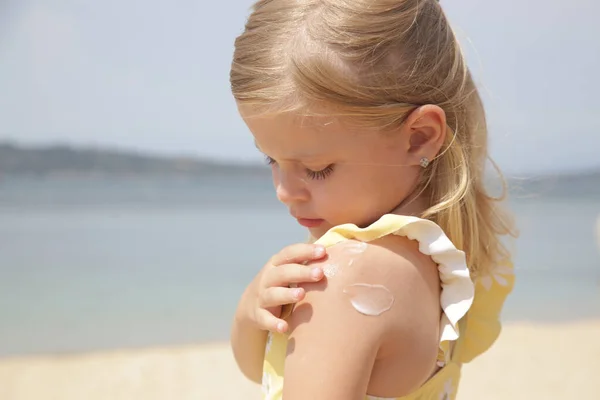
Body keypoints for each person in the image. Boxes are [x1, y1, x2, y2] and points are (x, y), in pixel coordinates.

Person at [229, 1, 517, 399]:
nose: (284, 191)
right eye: (271, 159)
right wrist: (251, 310)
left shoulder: (349, 279)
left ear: (418, 137)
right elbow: (261, 368)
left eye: (317, 168)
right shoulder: (443, 261)